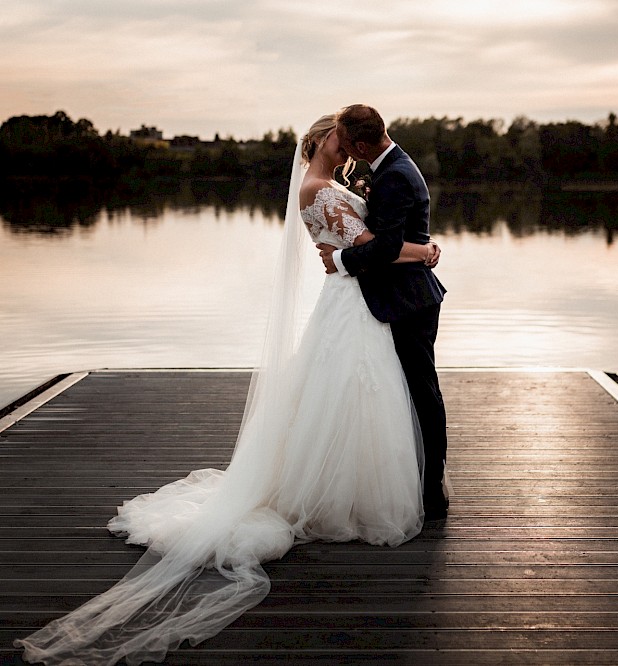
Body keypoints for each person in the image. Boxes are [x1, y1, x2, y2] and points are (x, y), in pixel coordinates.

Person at [14, 115, 441, 665]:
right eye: (337, 137)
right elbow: (370, 248)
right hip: (352, 304)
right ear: (321, 143)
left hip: (356, 303)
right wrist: (424, 252)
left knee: (359, 397)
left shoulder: (333, 186)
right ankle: (341, 494)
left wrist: (361, 252)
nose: (343, 145)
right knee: (352, 394)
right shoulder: (317, 190)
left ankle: (354, 485)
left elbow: (360, 247)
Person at [319, 104, 450, 520]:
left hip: (409, 299)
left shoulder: (394, 174)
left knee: (422, 392)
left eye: (347, 143)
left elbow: (388, 247)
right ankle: (420, 482)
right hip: (405, 294)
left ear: (360, 143)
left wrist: (338, 261)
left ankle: (432, 492)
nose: (345, 152)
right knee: (409, 391)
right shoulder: (393, 164)